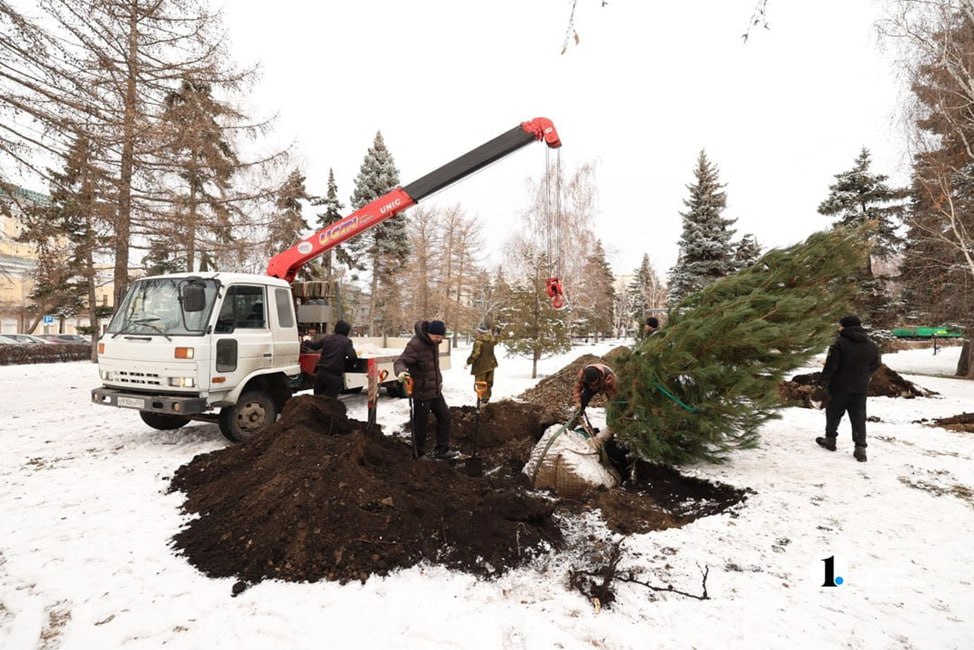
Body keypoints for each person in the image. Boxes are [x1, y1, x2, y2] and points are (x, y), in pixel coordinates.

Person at [816, 314, 882, 462]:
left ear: (845, 326)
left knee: (833, 413)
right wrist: (866, 375)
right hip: (861, 387)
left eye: (840, 325)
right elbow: (877, 363)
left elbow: (831, 366)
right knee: (858, 417)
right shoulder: (871, 345)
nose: (839, 328)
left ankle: (830, 440)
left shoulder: (839, 344)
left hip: (839, 386)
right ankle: (860, 448)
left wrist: (822, 383)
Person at [394, 320, 460, 460]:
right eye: (437, 337)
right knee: (421, 423)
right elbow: (401, 361)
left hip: (435, 389)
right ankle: (418, 453)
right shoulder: (415, 344)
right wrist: (401, 372)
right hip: (421, 391)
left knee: (445, 416)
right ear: (429, 333)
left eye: (441, 337)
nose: (440, 340)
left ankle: (442, 449)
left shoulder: (434, 343)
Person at [303, 320, 357, 398]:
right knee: (330, 403)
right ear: (346, 331)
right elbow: (352, 357)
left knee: (317, 400)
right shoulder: (346, 342)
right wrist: (347, 367)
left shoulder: (327, 338)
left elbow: (314, 346)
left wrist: (306, 341)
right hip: (334, 377)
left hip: (321, 374)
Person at [465, 324, 499, 405]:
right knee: (488, 383)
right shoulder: (491, 340)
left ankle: (480, 403)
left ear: (479, 332)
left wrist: (468, 362)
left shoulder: (479, 342)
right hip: (491, 365)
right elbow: (497, 340)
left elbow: (475, 354)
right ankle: (486, 401)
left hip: (481, 367)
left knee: (480, 385)